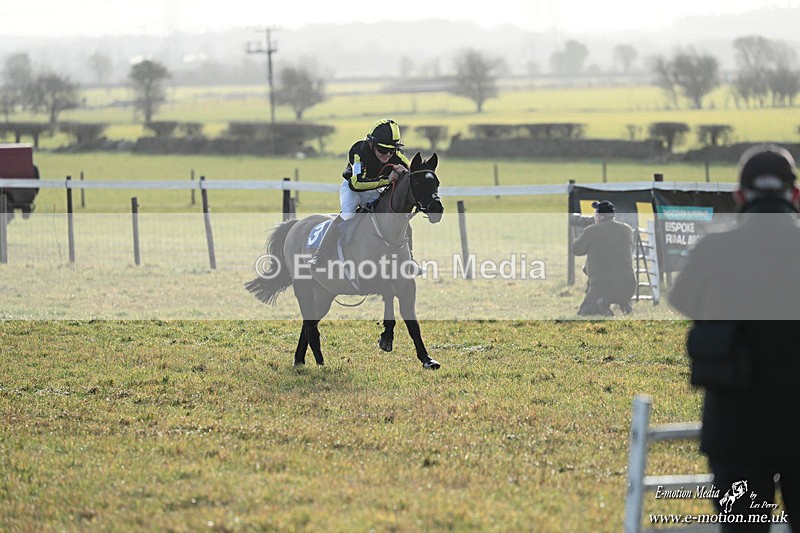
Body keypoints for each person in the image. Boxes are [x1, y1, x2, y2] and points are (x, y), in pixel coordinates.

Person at [670, 144, 800, 531]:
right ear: (794, 194)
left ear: (739, 195)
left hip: (735, 428)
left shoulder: (714, 248)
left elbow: (682, 301)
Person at [308, 118, 411, 267]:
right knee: (348, 213)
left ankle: (410, 260)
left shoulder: (397, 156)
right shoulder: (359, 151)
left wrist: (405, 173)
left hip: (375, 189)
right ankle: (320, 255)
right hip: (353, 189)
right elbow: (356, 184)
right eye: (383, 149)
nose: (388, 154)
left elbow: (412, 175)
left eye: (392, 150)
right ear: (371, 145)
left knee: (399, 217)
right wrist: (387, 181)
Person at [571, 200, 636, 316]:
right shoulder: (627, 229)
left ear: (598, 215)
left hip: (602, 286)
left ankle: (599, 304)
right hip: (628, 286)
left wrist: (587, 231)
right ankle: (624, 303)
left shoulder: (591, 230)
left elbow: (576, 249)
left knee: (584, 312)